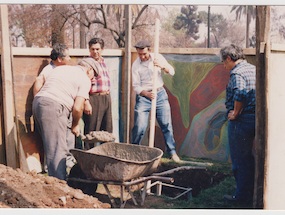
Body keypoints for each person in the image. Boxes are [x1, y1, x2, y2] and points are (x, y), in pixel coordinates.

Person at [32, 57, 96, 180]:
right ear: (89, 69)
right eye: (93, 75)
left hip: (38, 102)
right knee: (57, 149)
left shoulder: (61, 69)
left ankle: (54, 182)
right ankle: (60, 186)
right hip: (53, 106)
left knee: (52, 147)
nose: (92, 79)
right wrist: (75, 125)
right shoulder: (84, 79)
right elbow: (78, 108)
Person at [131, 40, 180, 163]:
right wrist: (146, 94)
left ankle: (172, 152)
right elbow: (136, 86)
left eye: (144, 54)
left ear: (149, 50)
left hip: (160, 95)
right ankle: (133, 152)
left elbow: (172, 72)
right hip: (144, 97)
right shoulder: (136, 65)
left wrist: (162, 66)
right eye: (139, 54)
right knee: (139, 126)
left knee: (166, 124)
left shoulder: (157, 58)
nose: (142, 56)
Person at [220, 44, 256, 204]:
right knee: (248, 158)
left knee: (240, 160)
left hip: (242, 121)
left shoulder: (237, 73)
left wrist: (235, 112)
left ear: (229, 58)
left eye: (224, 62)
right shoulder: (252, 69)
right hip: (255, 118)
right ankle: (249, 192)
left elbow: (240, 92)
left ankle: (241, 197)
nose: (224, 65)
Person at [32, 43, 76, 171]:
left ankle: (67, 163)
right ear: (59, 59)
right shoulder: (49, 69)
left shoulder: (65, 68)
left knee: (67, 138)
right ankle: (52, 169)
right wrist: (37, 99)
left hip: (65, 107)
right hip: (54, 108)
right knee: (53, 141)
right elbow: (38, 82)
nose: (70, 59)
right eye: (68, 57)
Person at [82, 37, 113, 149]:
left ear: (102, 49)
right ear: (89, 50)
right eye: (92, 49)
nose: (95, 52)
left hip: (106, 97)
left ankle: (106, 155)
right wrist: (86, 101)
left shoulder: (104, 62)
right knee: (91, 130)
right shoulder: (86, 63)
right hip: (93, 98)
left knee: (107, 128)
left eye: (97, 49)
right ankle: (88, 155)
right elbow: (82, 84)